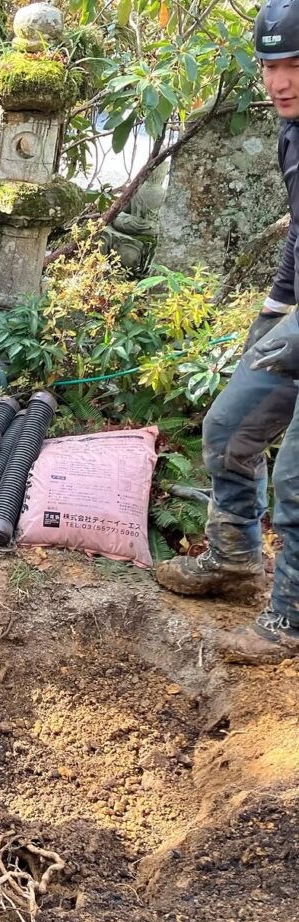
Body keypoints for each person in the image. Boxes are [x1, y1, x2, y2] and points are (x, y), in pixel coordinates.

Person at [157, 0, 299, 662]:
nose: (282, 82)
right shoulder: (292, 130)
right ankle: (235, 557)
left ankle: (289, 619)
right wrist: (275, 310)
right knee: (230, 428)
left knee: (297, 475)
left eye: (296, 64)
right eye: (272, 65)